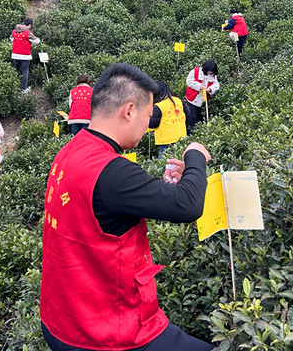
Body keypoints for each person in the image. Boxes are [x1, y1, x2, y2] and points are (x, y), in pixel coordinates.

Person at [40, 63, 212, 351]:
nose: (148, 126)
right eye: (148, 116)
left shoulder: (71, 150)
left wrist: (165, 187)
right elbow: (188, 205)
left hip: (60, 320)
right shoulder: (111, 171)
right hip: (106, 331)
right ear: (129, 111)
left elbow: (105, 205)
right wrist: (195, 156)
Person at [148, 80, 187, 159]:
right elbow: (187, 114)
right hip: (181, 137)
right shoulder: (178, 100)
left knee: (163, 163)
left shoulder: (159, 106)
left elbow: (153, 123)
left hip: (166, 140)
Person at [183, 60, 219, 135]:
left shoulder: (213, 75)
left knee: (199, 118)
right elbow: (189, 81)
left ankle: (200, 134)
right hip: (192, 98)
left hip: (203, 99)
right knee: (192, 119)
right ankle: (190, 135)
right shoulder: (195, 71)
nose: (210, 73)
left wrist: (211, 89)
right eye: (209, 72)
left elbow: (216, 85)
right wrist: (199, 86)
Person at [10, 18, 40, 93]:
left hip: (15, 55)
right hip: (25, 55)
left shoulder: (14, 31)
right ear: (29, 25)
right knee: (25, 72)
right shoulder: (27, 32)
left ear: (23, 23)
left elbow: (11, 39)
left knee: (15, 71)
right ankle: (24, 89)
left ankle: (12, 87)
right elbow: (37, 41)